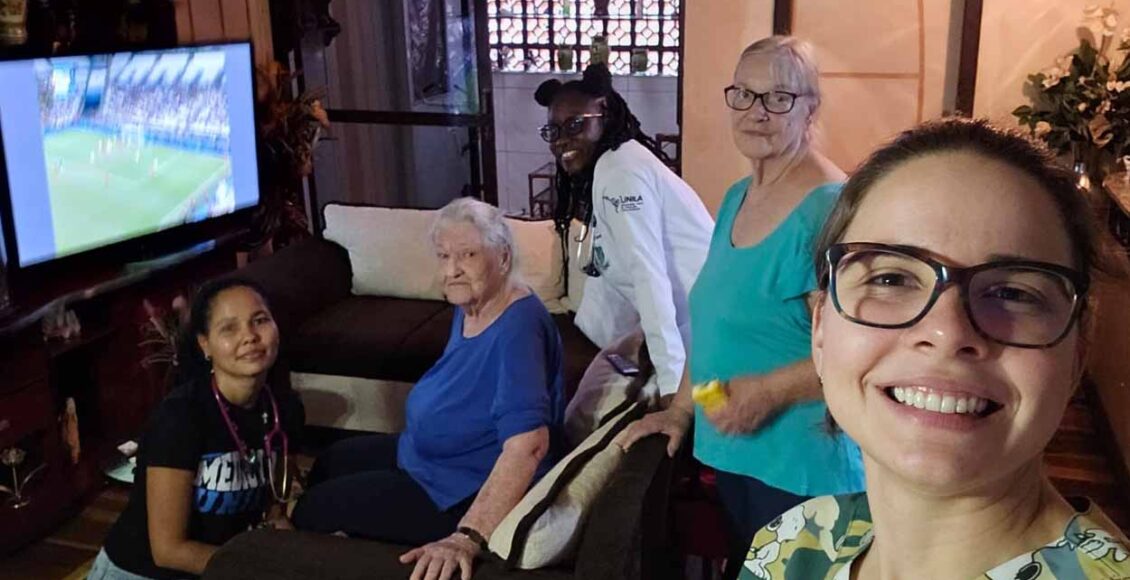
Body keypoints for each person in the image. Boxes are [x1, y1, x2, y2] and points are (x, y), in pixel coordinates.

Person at [742, 118, 1130, 579]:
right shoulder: (788, 546)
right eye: (892, 279)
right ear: (821, 329)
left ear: (1078, 352)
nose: (947, 332)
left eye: (1013, 293)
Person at [617, 36, 864, 580]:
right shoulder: (737, 196)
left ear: (810, 108)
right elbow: (713, 322)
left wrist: (769, 392)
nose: (757, 111)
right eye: (744, 94)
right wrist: (681, 411)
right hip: (737, 459)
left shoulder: (828, 207)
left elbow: (861, 350)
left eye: (778, 97)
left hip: (805, 472)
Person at [292, 198, 566, 580]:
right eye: (443, 256)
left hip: (458, 488)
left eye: (468, 255)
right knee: (330, 461)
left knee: (314, 510)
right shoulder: (474, 305)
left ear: (503, 257)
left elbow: (529, 445)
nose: (452, 270)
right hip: (427, 458)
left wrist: (467, 536)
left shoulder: (518, 328)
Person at [94, 279, 305, 579]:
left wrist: (310, 559)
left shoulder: (285, 409)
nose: (250, 336)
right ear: (205, 345)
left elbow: (273, 513)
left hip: (219, 565)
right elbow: (168, 550)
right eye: (229, 328)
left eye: (260, 320)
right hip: (143, 572)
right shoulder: (180, 417)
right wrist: (258, 569)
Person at [536, 63, 714, 399]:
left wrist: (670, 381)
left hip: (705, 333)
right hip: (690, 328)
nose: (561, 141)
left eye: (574, 125)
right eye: (553, 131)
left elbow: (648, 275)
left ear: (603, 112)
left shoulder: (620, 173)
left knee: (709, 413)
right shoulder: (613, 163)